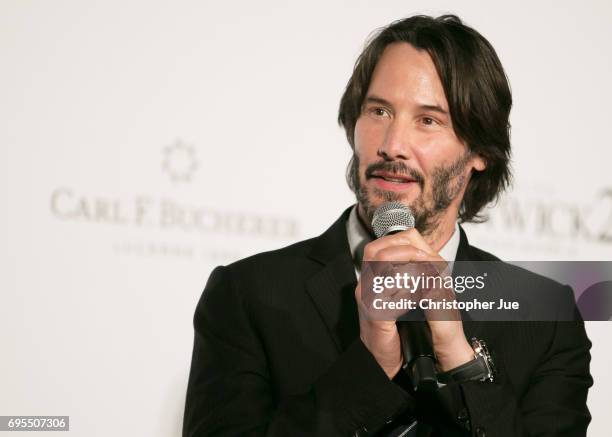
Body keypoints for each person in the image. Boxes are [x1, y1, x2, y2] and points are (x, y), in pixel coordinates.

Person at [183, 15, 592, 436]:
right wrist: (371, 365)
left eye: (428, 120)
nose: (392, 145)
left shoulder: (545, 318)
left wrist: (460, 359)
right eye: (378, 111)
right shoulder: (248, 295)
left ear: (480, 150)